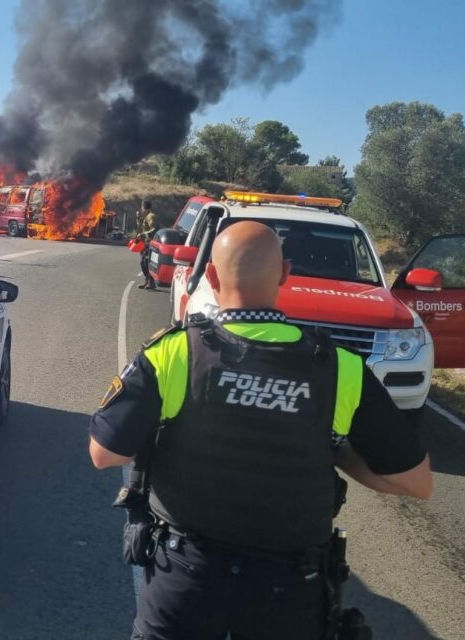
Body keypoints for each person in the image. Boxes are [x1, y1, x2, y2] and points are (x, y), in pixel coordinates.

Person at [90, 221, 432, 640]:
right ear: (285, 273)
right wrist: (335, 449)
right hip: (291, 591)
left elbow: (105, 454)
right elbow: (416, 482)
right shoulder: (342, 367)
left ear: (211, 276)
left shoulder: (174, 352)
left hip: (185, 583)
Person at [135, 200, 158, 290]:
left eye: (141, 206)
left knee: (146, 262)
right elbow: (141, 227)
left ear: (144, 207)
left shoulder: (151, 216)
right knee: (143, 262)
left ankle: (151, 282)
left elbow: (154, 229)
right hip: (143, 243)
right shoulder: (144, 216)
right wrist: (138, 219)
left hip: (149, 243)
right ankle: (147, 281)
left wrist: (143, 234)